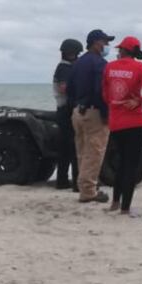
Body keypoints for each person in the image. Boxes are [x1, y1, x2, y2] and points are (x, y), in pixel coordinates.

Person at [102, 36, 142, 216]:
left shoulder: (109, 67)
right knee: (131, 165)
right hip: (135, 122)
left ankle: (115, 202)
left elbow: (104, 93)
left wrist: (114, 104)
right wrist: (139, 101)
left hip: (116, 122)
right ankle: (125, 207)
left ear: (123, 50)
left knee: (119, 163)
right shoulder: (140, 67)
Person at [67, 29, 116, 203]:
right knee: (94, 152)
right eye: (105, 42)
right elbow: (100, 90)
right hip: (94, 112)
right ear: (96, 43)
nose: (107, 46)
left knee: (82, 152)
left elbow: (70, 89)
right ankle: (88, 191)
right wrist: (105, 113)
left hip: (78, 111)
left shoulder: (78, 63)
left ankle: (84, 186)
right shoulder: (100, 63)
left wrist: (77, 105)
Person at [53, 38, 83, 191]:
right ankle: (75, 182)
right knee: (73, 146)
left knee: (66, 148)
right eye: (76, 54)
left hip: (65, 109)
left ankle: (63, 180)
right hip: (66, 109)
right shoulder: (64, 68)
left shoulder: (66, 67)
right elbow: (64, 88)